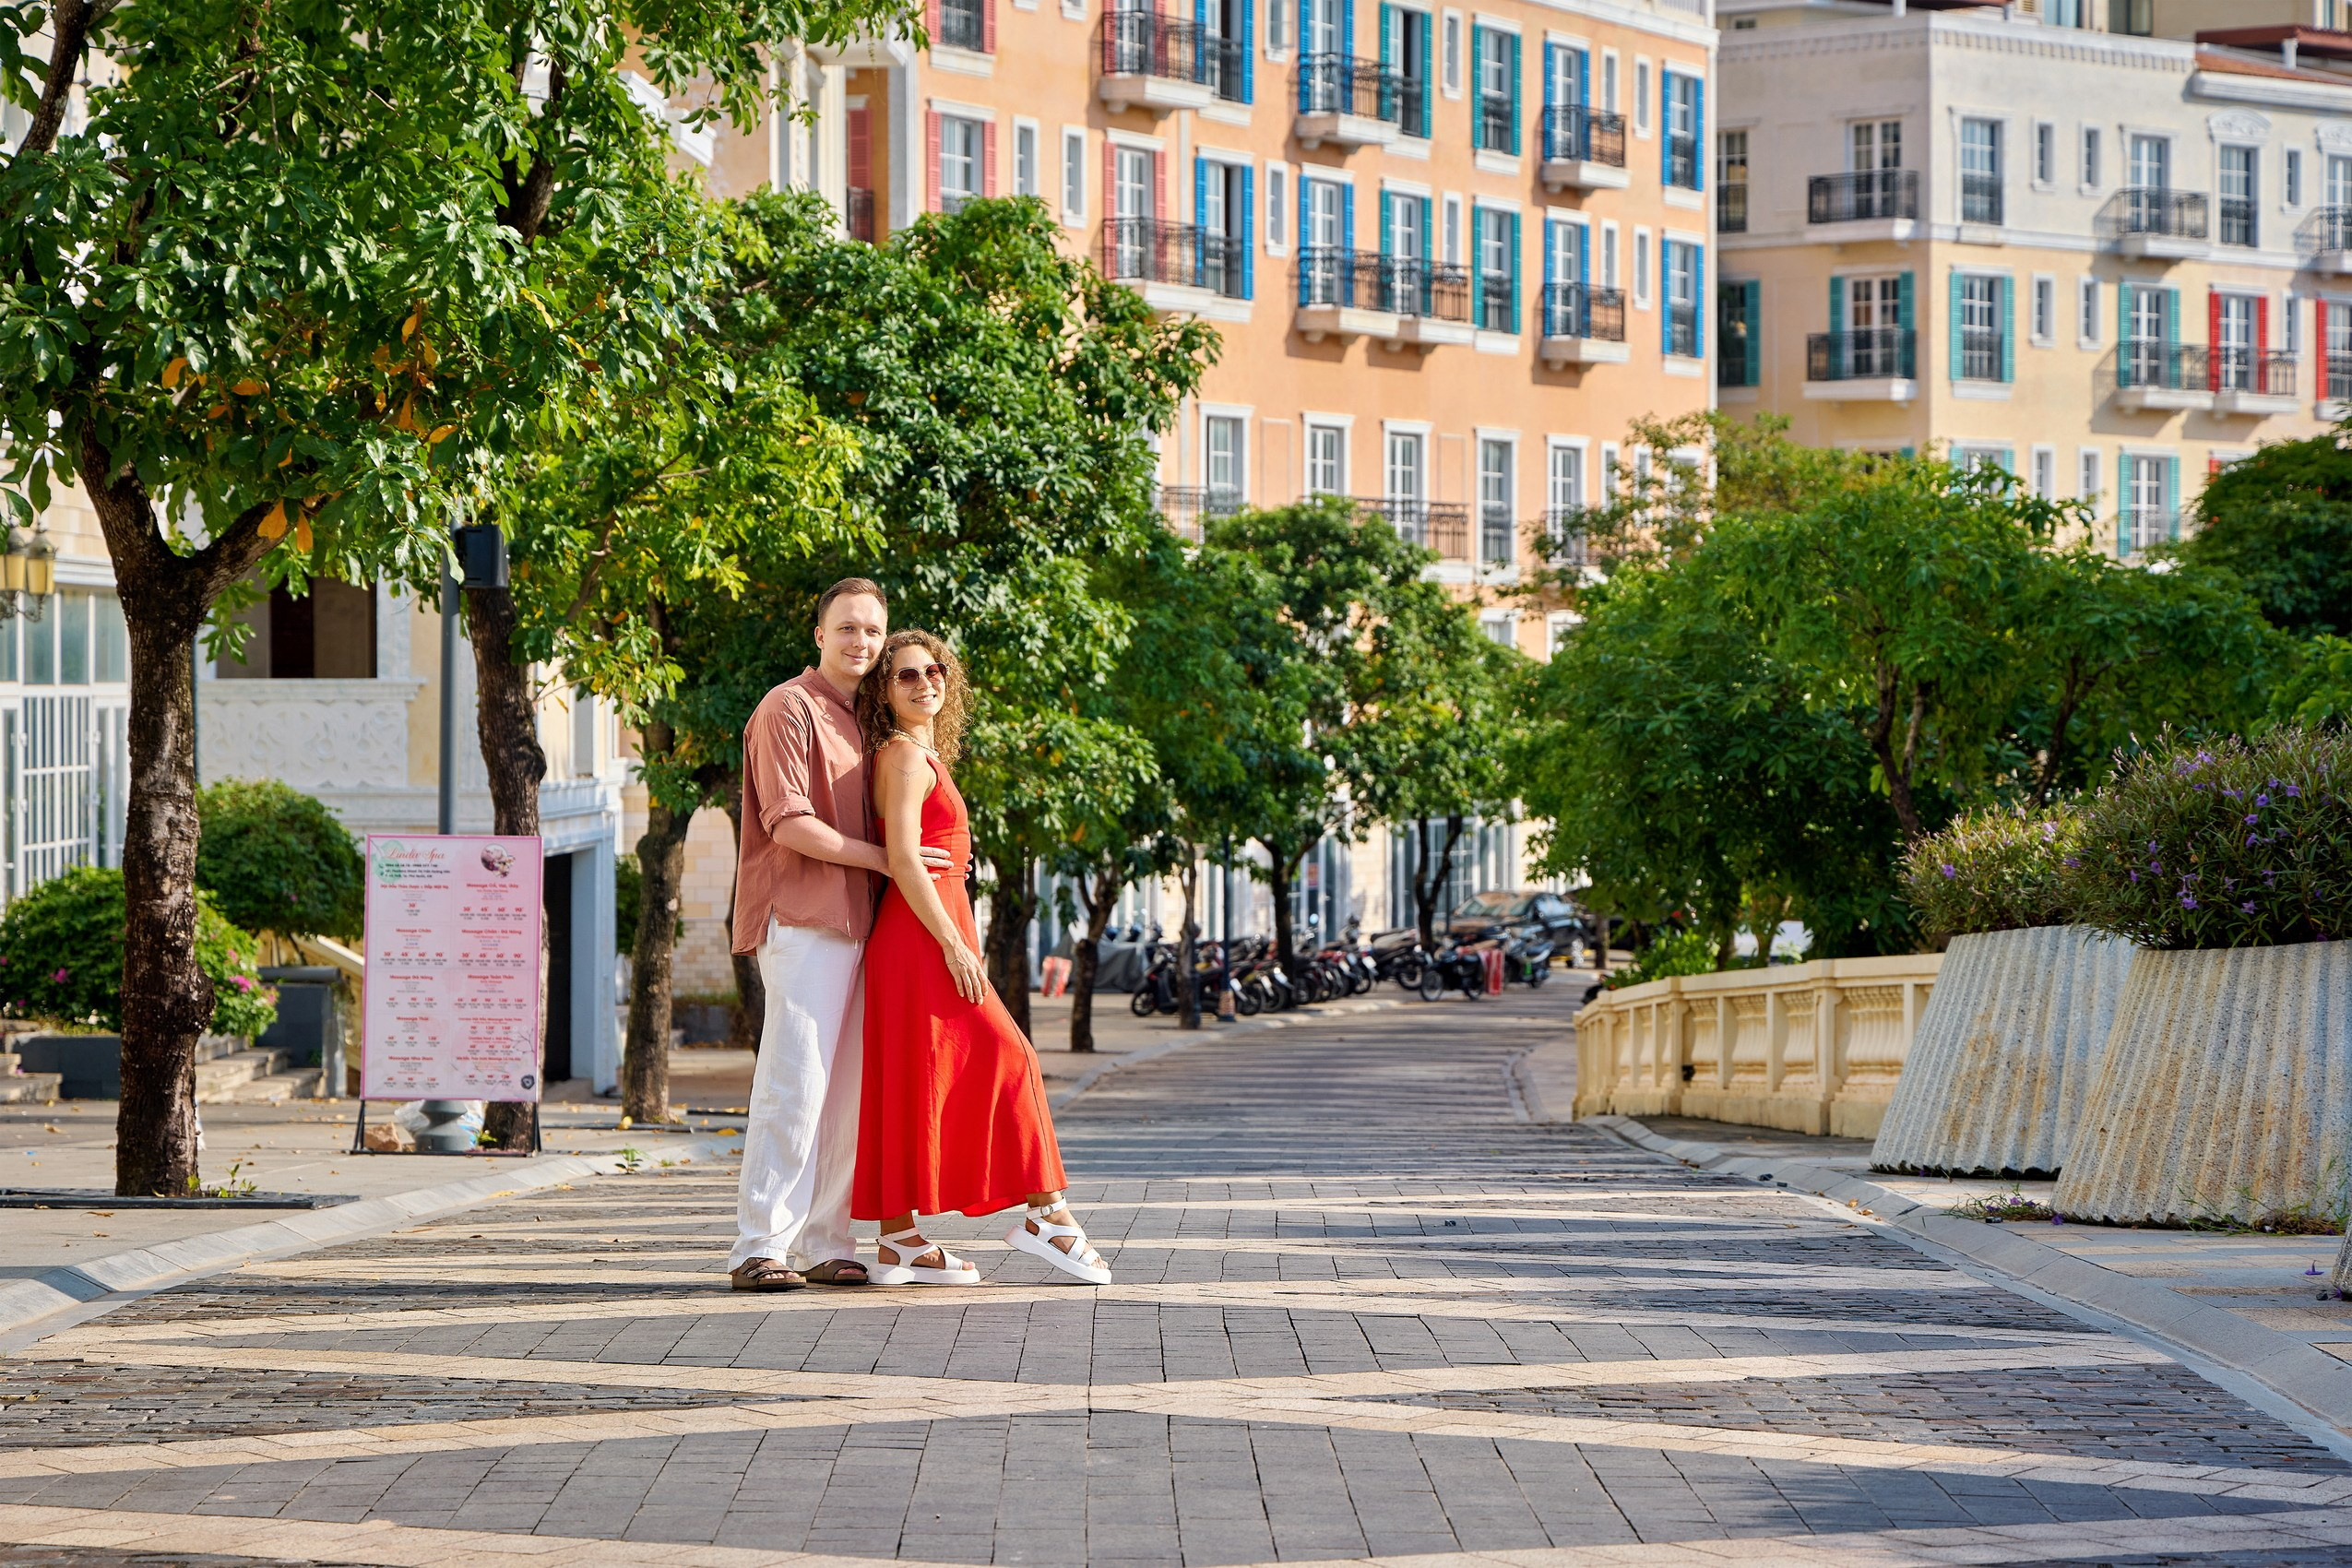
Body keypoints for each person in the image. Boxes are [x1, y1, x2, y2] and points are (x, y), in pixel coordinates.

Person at [850, 630, 1111, 1287]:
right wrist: (952, 943)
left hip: (923, 931)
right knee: (1010, 1055)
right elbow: (905, 857)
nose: (924, 683)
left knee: (910, 1079)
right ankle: (1045, 1213)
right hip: (921, 936)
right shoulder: (906, 758)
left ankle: (898, 1240)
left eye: (934, 671)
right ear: (884, 691)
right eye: (905, 675)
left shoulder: (915, 755)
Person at [726, 579, 952, 1291]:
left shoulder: (869, 723)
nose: (861, 641)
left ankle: (828, 1240)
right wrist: (890, 859)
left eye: (874, 632)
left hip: (864, 925)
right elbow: (789, 825)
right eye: (847, 628)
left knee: (847, 1093)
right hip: (801, 919)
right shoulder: (786, 708)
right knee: (795, 1083)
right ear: (818, 635)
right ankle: (759, 1246)